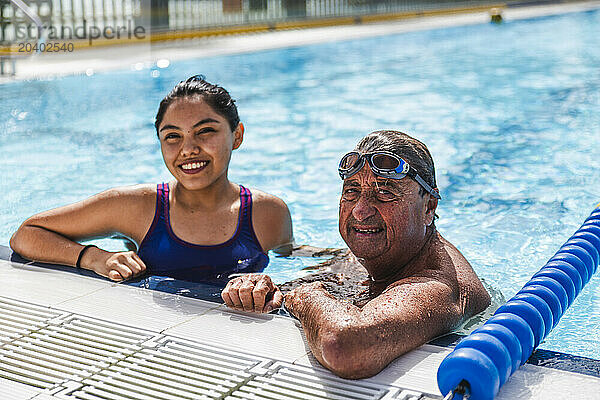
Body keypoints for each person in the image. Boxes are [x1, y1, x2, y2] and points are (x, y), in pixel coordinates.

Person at [221, 130, 491, 379]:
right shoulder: (378, 254)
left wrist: (304, 296)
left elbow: (348, 347)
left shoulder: (437, 283)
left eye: (384, 192)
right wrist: (258, 288)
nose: (361, 211)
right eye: (351, 191)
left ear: (428, 207)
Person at [10, 75, 293, 283]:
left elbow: (288, 260)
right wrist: (95, 257)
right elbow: (27, 234)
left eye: (205, 131)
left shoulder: (268, 212)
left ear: (237, 135)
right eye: (173, 136)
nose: (188, 149)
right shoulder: (135, 207)